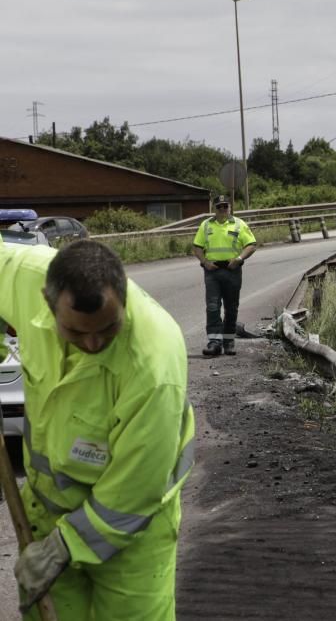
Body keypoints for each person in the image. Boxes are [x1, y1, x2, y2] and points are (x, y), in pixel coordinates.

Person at [0, 239, 195, 620]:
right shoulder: (22, 274)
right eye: (75, 332)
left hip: (132, 529)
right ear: (46, 300)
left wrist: (61, 548)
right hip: (45, 509)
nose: (92, 342)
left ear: (123, 297)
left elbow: (134, 489)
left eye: (108, 329)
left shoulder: (154, 365)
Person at [191, 195, 257, 356]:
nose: (222, 209)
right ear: (214, 208)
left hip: (232, 269)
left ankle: (228, 342)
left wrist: (239, 259)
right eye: (219, 206)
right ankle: (214, 343)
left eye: (225, 206)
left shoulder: (239, 224)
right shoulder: (206, 225)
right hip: (212, 270)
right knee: (212, 307)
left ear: (229, 207)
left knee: (231, 308)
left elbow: (251, 245)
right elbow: (197, 247)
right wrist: (205, 262)